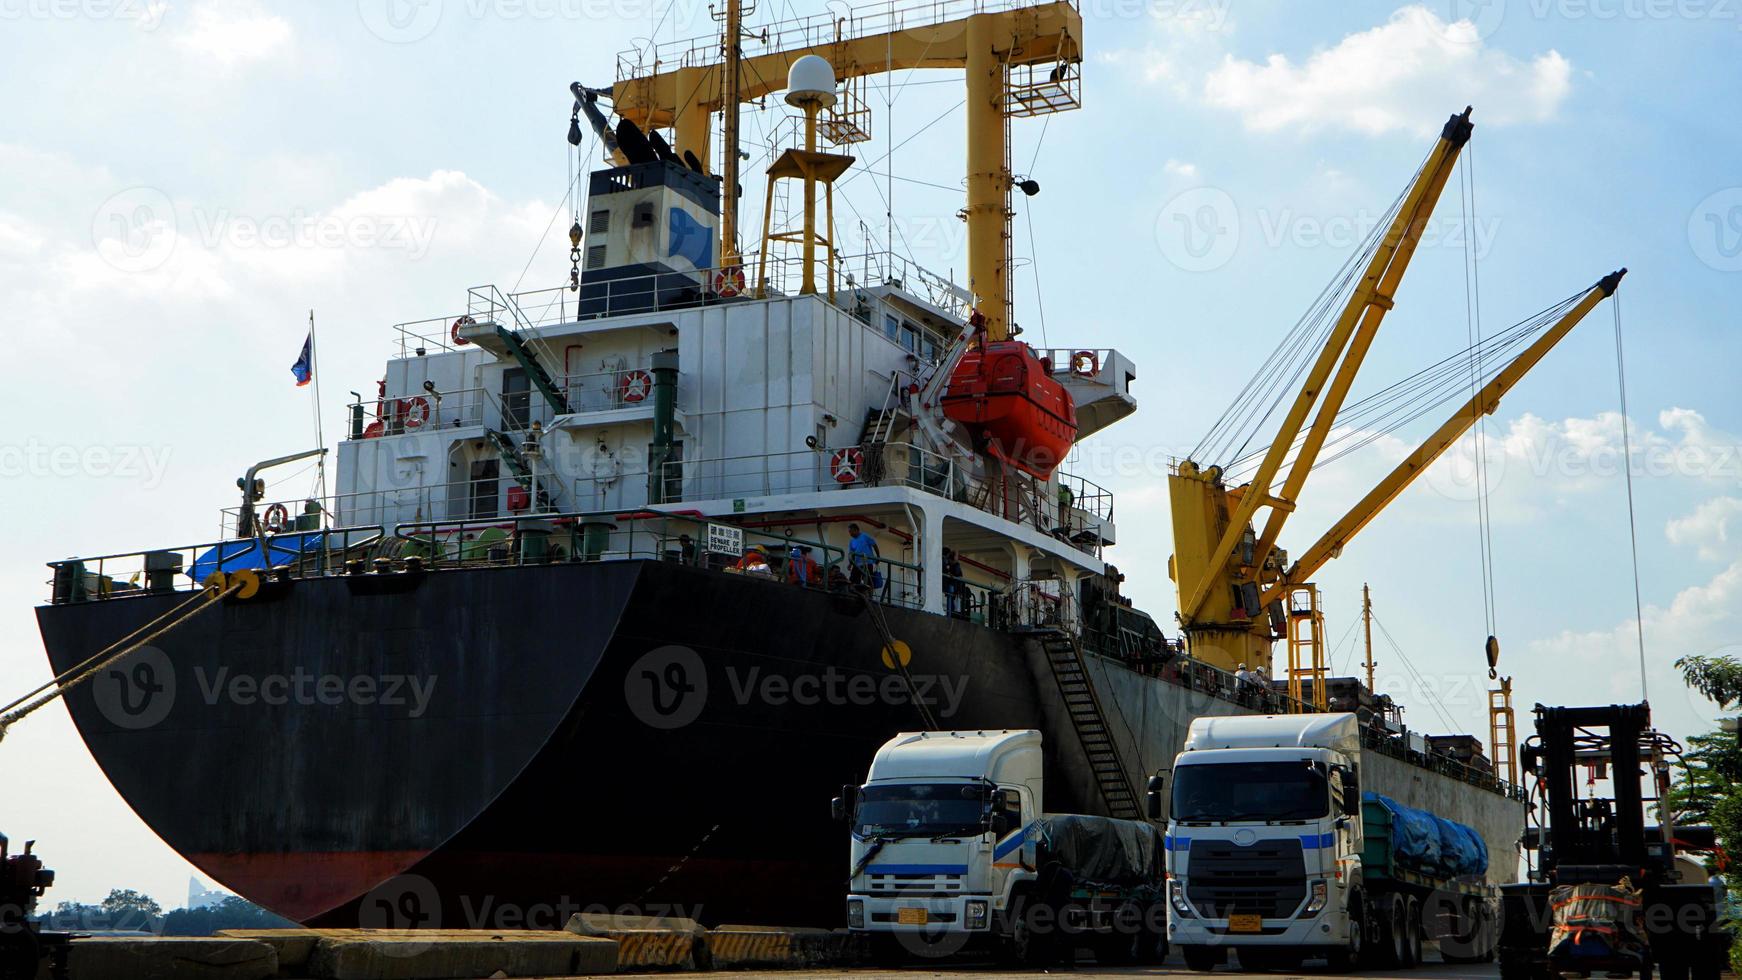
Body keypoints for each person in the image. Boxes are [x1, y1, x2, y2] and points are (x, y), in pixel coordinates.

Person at [847, 523, 880, 591]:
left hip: (867, 563)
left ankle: (868, 595)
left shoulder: (864, 536)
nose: (850, 534)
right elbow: (852, 553)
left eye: (851, 531)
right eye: (849, 532)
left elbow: (874, 545)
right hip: (857, 564)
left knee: (868, 581)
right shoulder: (852, 541)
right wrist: (850, 563)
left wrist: (878, 557)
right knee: (853, 580)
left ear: (856, 530)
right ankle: (855, 594)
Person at [941, 547, 966, 618]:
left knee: (952, 600)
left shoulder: (952, 564)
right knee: (952, 600)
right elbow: (958, 574)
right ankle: (951, 614)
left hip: (953, 586)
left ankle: (951, 613)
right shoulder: (954, 564)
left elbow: (958, 575)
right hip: (953, 586)